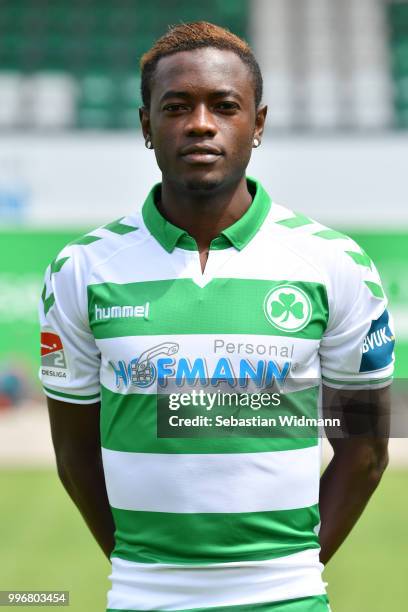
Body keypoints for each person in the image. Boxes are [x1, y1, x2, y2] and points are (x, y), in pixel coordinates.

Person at [39, 21, 395, 612]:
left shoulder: (336, 263)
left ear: (257, 124)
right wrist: (143, 576)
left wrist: (287, 577)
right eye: (176, 106)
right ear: (145, 126)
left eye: (224, 106)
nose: (200, 123)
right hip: (140, 598)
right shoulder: (81, 268)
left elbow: (366, 450)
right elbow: (74, 457)